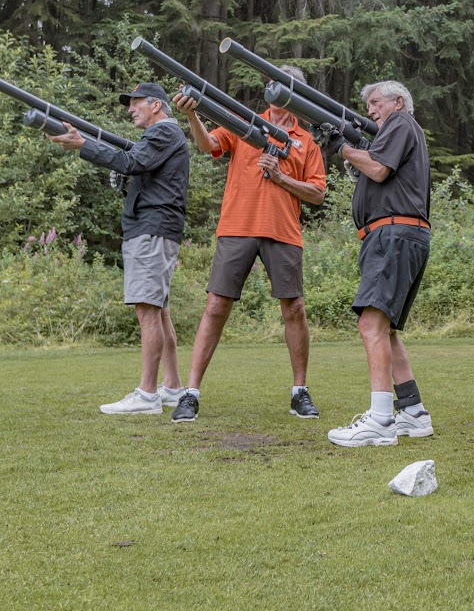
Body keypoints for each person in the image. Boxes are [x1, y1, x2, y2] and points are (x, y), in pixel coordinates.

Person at [168, 67, 328, 422]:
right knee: (215, 306)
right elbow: (208, 144)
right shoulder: (246, 123)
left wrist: (281, 176)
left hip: (283, 231)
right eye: (278, 87)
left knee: (295, 309)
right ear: (270, 90)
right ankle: (190, 394)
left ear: (300, 96)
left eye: (292, 90)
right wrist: (192, 113)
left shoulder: (307, 140)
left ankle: (299, 391)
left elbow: (317, 194)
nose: (284, 95)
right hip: (237, 226)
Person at [48, 82, 189, 415]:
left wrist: (83, 144)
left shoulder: (163, 133)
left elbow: (128, 162)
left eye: (136, 103)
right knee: (159, 309)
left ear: (157, 105)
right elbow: (134, 166)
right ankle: (171, 387)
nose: (130, 109)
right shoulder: (161, 137)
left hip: (152, 230)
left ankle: (147, 395)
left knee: (147, 310)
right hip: (156, 228)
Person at [325, 81, 434, 448]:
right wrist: (348, 147)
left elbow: (377, 169)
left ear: (398, 101)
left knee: (370, 323)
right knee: (385, 329)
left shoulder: (400, 123)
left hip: (394, 234)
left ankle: (381, 420)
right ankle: (414, 412)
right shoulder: (394, 131)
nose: (370, 109)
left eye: (375, 102)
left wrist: (342, 148)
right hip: (397, 236)